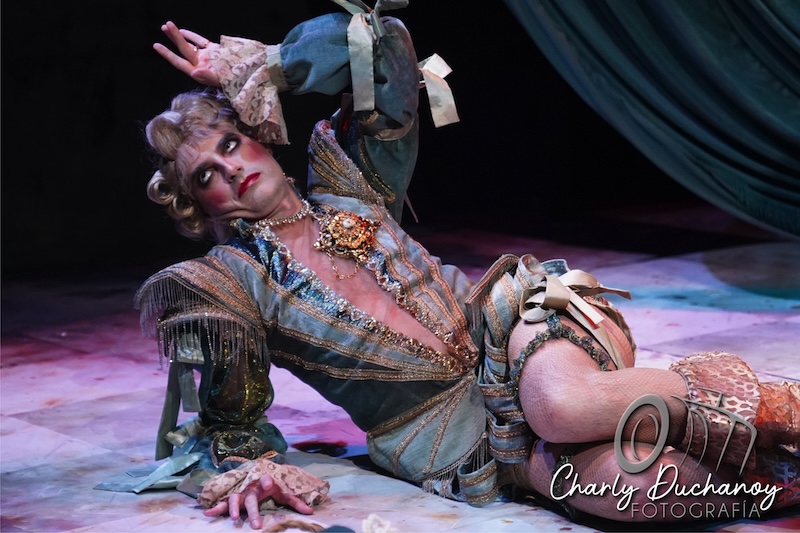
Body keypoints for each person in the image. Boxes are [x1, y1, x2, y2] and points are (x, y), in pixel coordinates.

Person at [136, 2, 800, 529]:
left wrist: (271, 65)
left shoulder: (347, 182)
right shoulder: (231, 282)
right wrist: (248, 468)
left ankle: (787, 407)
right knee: (630, 485)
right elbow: (228, 420)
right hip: (451, 432)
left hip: (515, 324)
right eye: (207, 175)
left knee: (561, 407)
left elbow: (386, 49)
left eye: (231, 144)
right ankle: (780, 478)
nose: (231, 170)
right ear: (199, 204)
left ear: (259, 134)